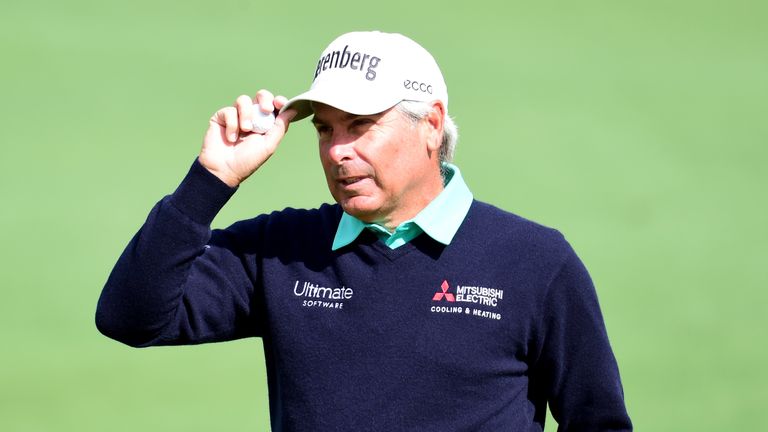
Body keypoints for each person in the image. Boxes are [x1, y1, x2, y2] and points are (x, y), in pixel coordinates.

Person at [96, 31, 632, 431]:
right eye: (325, 129)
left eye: (361, 125)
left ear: (431, 123)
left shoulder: (535, 262)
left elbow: (598, 421)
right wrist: (210, 180)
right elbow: (131, 318)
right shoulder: (280, 250)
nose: (337, 151)